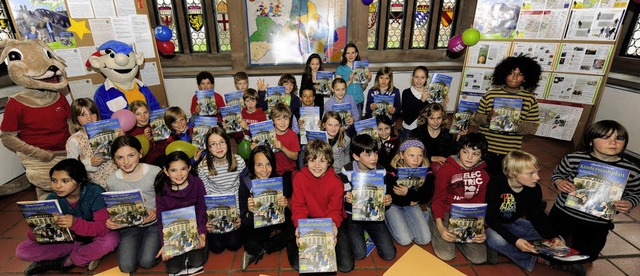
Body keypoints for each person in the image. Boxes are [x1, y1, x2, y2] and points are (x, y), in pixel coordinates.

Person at [550, 120, 640, 263]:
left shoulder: (632, 171)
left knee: (589, 256)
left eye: (619, 138)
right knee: (551, 243)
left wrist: (629, 202)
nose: (613, 142)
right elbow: (557, 174)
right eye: (605, 137)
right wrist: (559, 182)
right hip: (564, 211)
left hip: (597, 220)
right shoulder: (574, 158)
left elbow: (636, 193)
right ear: (591, 141)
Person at [17, 159, 119, 275]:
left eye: (65, 181)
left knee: (111, 240)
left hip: (95, 236)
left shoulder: (95, 193)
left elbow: (103, 228)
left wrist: (75, 223)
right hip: (72, 240)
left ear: (80, 180)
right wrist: (37, 227)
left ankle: (67, 261)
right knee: (23, 250)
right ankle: (87, 252)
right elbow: (36, 236)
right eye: (54, 181)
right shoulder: (52, 198)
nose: (58, 186)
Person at [485, 150, 574, 273]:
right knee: (495, 239)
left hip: (515, 222)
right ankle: (539, 259)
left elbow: (536, 216)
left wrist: (552, 236)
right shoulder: (496, 184)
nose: (537, 177)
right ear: (512, 173)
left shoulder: (534, 188)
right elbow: (491, 219)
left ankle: (509, 249)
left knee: (559, 239)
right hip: (493, 225)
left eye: (537, 172)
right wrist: (515, 241)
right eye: (530, 173)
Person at [290, 139, 355, 272]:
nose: (317, 165)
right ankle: (290, 241)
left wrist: (332, 227)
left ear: (329, 162)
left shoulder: (336, 182)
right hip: (308, 220)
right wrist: (299, 227)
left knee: (346, 266)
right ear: (306, 161)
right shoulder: (299, 178)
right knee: (300, 265)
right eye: (312, 160)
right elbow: (298, 206)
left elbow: (335, 210)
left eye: (322, 160)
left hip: (328, 221)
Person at [472, 55, 542, 176]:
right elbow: (476, 119)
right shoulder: (490, 95)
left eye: (520, 74)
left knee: (503, 180)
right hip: (486, 149)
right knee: (483, 178)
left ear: (525, 78)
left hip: (509, 151)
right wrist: (487, 119)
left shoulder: (530, 99)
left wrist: (516, 123)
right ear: (503, 74)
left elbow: (532, 127)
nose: (514, 77)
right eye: (511, 73)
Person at [430, 133, 489, 264]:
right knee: (446, 254)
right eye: (465, 151)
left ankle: (459, 238)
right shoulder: (446, 169)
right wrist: (440, 227)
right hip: (445, 211)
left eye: (475, 154)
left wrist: (481, 228)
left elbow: (479, 204)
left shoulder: (483, 175)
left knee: (479, 258)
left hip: (468, 215)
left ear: (481, 156)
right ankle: (432, 221)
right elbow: (438, 199)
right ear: (459, 151)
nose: (469, 157)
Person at [106, 135, 161, 273]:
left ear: (140, 153)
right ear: (114, 160)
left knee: (147, 261)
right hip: (129, 227)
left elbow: (167, 199)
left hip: (154, 224)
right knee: (126, 266)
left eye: (131, 155)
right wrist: (113, 220)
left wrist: (155, 211)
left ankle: (156, 244)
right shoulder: (112, 181)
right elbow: (114, 207)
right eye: (120, 158)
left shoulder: (154, 172)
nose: (126, 162)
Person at [339, 134, 396, 261]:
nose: (374, 158)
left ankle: (370, 234)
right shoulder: (346, 170)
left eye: (375, 153)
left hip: (374, 214)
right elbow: (344, 197)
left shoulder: (381, 171)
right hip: (352, 214)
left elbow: (384, 197)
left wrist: (387, 202)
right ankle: (358, 233)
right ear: (356, 156)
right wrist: (347, 199)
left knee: (389, 254)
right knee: (359, 254)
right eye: (368, 155)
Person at [238, 146, 296, 270]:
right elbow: (245, 218)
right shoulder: (245, 182)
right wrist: (251, 211)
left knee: (296, 227)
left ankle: (266, 248)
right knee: (250, 245)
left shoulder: (276, 179)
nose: (264, 170)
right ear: (252, 166)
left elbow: (286, 213)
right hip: (256, 222)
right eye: (259, 165)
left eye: (268, 164)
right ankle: (263, 244)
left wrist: (285, 204)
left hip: (274, 217)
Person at [154, 151, 208, 275]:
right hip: (173, 234)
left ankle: (190, 255)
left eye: (183, 169)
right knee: (173, 269)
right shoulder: (161, 188)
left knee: (197, 261)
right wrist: (165, 244)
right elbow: (161, 217)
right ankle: (183, 256)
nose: (179, 174)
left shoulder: (197, 183)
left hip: (195, 230)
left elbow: (201, 210)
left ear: (189, 168)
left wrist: (202, 233)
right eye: (173, 170)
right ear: (166, 171)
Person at [197, 127, 246, 253]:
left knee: (234, 244)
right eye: (213, 144)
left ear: (227, 143)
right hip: (215, 209)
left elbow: (244, 190)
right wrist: (207, 218)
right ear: (208, 148)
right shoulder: (203, 167)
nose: (218, 147)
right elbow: (205, 193)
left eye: (222, 142)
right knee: (216, 248)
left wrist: (240, 214)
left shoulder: (239, 161)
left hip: (234, 207)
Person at [384, 139, 433, 246]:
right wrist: (412, 198)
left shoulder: (426, 171)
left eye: (420, 155)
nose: (416, 159)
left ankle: (411, 220)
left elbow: (427, 195)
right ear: (401, 155)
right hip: (394, 205)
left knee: (425, 239)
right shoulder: (391, 169)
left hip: (411, 203)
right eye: (411, 155)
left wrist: (408, 193)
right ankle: (387, 221)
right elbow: (390, 194)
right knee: (405, 240)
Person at [66, 98, 118, 188]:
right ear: (76, 118)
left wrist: (122, 139)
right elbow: (71, 166)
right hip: (96, 184)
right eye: (83, 115)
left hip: (118, 177)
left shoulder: (111, 130)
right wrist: (89, 162)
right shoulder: (74, 140)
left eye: (92, 113)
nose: (89, 118)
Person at [411, 103, 462, 170]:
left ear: (443, 118)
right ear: (426, 118)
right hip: (423, 166)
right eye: (432, 118)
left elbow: (452, 153)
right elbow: (412, 154)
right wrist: (432, 158)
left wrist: (459, 137)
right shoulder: (417, 133)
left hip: (443, 168)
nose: (436, 122)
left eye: (439, 118)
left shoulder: (447, 133)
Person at [336, 42, 370, 116]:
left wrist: (367, 79)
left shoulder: (361, 67)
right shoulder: (340, 69)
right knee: (346, 125)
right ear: (345, 55)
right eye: (348, 53)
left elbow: (363, 87)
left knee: (357, 125)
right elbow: (337, 88)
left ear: (356, 54)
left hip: (359, 101)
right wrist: (350, 80)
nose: (350, 55)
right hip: (345, 102)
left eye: (353, 53)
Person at [265, 103, 301, 175]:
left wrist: (282, 148)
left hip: (288, 171)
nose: (283, 122)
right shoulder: (268, 134)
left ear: (289, 119)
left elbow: (295, 157)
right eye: (278, 119)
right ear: (273, 121)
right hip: (271, 170)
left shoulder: (292, 135)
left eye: (286, 118)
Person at [400, 66, 432, 141]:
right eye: (416, 77)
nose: (419, 80)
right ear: (412, 77)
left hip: (425, 130)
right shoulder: (406, 93)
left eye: (422, 77)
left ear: (427, 79)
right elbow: (408, 119)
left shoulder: (430, 93)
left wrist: (442, 103)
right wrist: (422, 100)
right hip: (409, 130)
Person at [127, 101, 163, 165]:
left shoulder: (155, 124)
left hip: (162, 158)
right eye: (138, 114)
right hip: (146, 164)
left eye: (145, 112)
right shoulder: (131, 133)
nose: (143, 117)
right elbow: (137, 157)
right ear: (132, 116)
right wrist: (145, 139)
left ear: (149, 112)